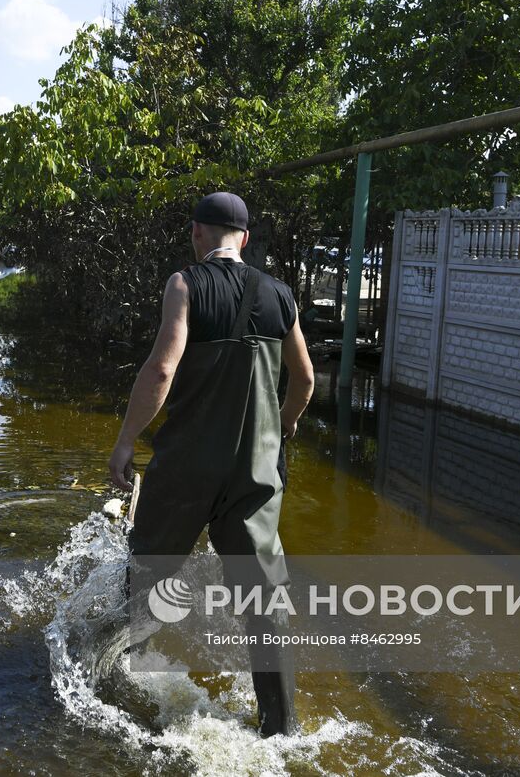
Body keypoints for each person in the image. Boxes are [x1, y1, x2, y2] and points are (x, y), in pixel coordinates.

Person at [107, 191, 314, 737]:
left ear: (197, 233)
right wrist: (284, 426)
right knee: (263, 598)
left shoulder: (184, 284)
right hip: (256, 476)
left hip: (187, 467)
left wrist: (126, 441)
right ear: (245, 238)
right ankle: (281, 730)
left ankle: (129, 688)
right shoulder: (280, 295)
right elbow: (307, 379)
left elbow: (161, 369)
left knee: (149, 572)